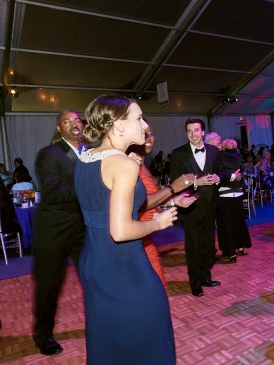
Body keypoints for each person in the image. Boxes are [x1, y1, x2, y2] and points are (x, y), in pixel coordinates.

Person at [74, 95, 177, 364]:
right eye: (139, 118)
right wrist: (157, 223)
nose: (144, 124)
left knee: (110, 337)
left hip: (93, 261)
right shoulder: (124, 165)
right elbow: (119, 231)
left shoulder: (86, 158)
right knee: (150, 332)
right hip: (123, 265)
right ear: (119, 125)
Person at [32, 110, 86, 355]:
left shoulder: (92, 153)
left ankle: (100, 324)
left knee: (93, 278)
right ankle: (43, 335)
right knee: (49, 287)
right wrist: (92, 188)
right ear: (59, 128)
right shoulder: (49, 154)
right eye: (67, 121)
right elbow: (52, 193)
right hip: (53, 232)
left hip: (83, 231)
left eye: (77, 120)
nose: (74, 124)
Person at [169, 119, 237, 297]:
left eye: (196, 130)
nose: (193, 134)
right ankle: (195, 282)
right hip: (190, 207)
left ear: (203, 132)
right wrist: (196, 183)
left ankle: (206, 276)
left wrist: (218, 176)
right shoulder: (178, 154)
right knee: (193, 247)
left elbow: (222, 171)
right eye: (189, 131)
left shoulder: (214, 150)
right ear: (186, 134)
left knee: (208, 245)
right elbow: (174, 183)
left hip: (211, 205)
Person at [128, 125, 197, 287]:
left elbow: (152, 200)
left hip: (147, 236)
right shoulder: (130, 165)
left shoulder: (143, 164)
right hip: (135, 237)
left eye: (151, 134)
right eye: (143, 134)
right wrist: (172, 188)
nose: (148, 138)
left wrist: (174, 200)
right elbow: (137, 202)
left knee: (156, 288)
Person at [215, 139, 251, 263]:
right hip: (237, 191)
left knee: (227, 224)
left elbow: (219, 174)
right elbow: (240, 174)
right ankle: (240, 246)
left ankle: (231, 253)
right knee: (238, 221)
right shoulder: (238, 157)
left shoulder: (219, 156)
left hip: (225, 193)